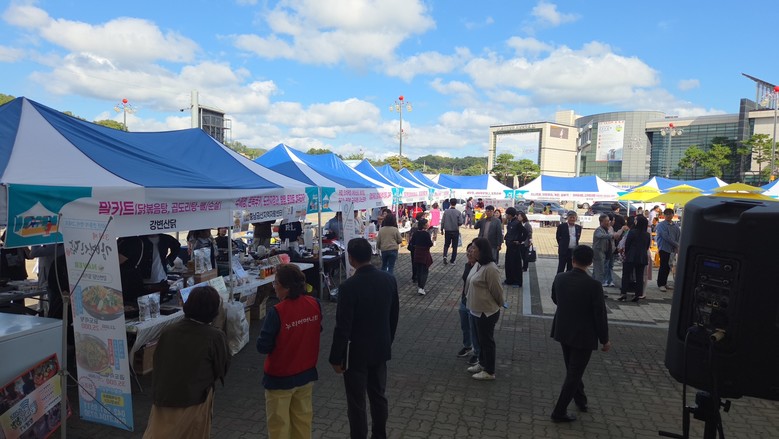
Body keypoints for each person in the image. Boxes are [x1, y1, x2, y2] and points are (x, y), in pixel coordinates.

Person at [329, 238, 399, 439]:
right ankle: (379, 435)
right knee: (378, 396)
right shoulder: (388, 279)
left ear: (351, 258)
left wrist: (335, 357)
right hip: (380, 348)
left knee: (356, 402)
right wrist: (387, 340)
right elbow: (394, 316)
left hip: (356, 353)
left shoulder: (348, 287)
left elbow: (343, 326)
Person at [143, 286, 230, 438]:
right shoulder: (215, 336)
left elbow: (157, 361)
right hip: (194, 397)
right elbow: (222, 367)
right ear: (213, 310)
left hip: (163, 396)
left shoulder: (168, 330)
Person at [257, 264, 322, 439]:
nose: (274, 287)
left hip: (280, 377)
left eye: (275, 283)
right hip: (306, 373)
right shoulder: (314, 304)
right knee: (303, 422)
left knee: (279, 427)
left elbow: (263, 346)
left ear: (284, 287)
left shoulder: (277, 312)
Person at [549, 245, 611, 423]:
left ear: (573, 259)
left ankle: (580, 399)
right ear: (590, 262)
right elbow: (600, 315)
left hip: (563, 329)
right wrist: (605, 340)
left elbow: (555, 299)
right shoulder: (594, 285)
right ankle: (559, 411)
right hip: (583, 335)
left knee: (572, 369)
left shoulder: (560, 278)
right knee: (574, 373)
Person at [465, 238, 504, 380]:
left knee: (487, 341)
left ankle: (489, 371)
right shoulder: (478, 265)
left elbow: (497, 291)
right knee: (480, 340)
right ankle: (482, 363)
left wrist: (499, 304)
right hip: (476, 310)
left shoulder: (490, 268)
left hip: (486, 312)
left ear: (481, 251)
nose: (471, 250)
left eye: (474, 248)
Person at [118, 234, 181, 303]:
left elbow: (177, 246)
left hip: (162, 280)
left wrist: (169, 260)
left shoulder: (165, 238)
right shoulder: (139, 240)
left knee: (162, 304)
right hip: (144, 281)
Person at [456, 240, 480, 364]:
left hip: (475, 302)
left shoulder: (481, 268)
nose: (469, 253)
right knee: (465, 325)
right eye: (468, 251)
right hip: (465, 300)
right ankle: (467, 346)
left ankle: (478, 353)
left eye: (472, 251)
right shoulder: (467, 265)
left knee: (475, 328)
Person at [619, 215, 651, 302]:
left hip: (631, 256)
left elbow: (627, 244)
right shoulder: (647, 234)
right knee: (639, 276)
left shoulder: (632, 232)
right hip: (642, 257)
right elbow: (647, 246)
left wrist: (627, 253)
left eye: (636, 220)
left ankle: (623, 293)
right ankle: (638, 294)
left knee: (626, 275)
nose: (635, 221)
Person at [655, 208, 680, 292]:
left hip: (672, 249)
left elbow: (678, 236)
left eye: (670, 214)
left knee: (669, 266)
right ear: (664, 215)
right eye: (667, 214)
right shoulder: (661, 225)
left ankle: (664, 283)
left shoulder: (676, 226)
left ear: (673, 215)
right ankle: (660, 284)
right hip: (664, 248)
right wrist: (677, 244)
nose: (669, 216)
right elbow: (666, 237)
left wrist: (677, 246)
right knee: (663, 266)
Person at [503, 207, 528, 287]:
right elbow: (509, 232)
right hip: (509, 246)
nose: (506, 216)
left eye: (507, 214)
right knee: (508, 264)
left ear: (510, 215)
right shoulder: (510, 222)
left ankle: (517, 282)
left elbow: (525, 232)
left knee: (516, 265)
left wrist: (519, 241)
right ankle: (509, 280)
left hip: (515, 247)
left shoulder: (517, 223)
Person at [410, 218, 434, 296]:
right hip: (424, 253)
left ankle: (419, 286)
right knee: (424, 271)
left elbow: (412, 242)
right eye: (427, 223)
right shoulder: (426, 234)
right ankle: (421, 287)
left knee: (419, 270)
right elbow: (430, 244)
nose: (428, 224)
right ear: (424, 225)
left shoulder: (416, 233)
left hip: (417, 253)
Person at [441, 198, 464, 265]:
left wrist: (442, 229)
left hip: (447, 230)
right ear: (456, 203)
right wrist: (457, 224)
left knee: (446, 244)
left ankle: (445, 256)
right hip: (455, 230)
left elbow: (442, 221)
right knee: (454, 246)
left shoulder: (446, 212)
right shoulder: (458, 212)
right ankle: (452, 260)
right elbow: (461, 222)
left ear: (450, 203)